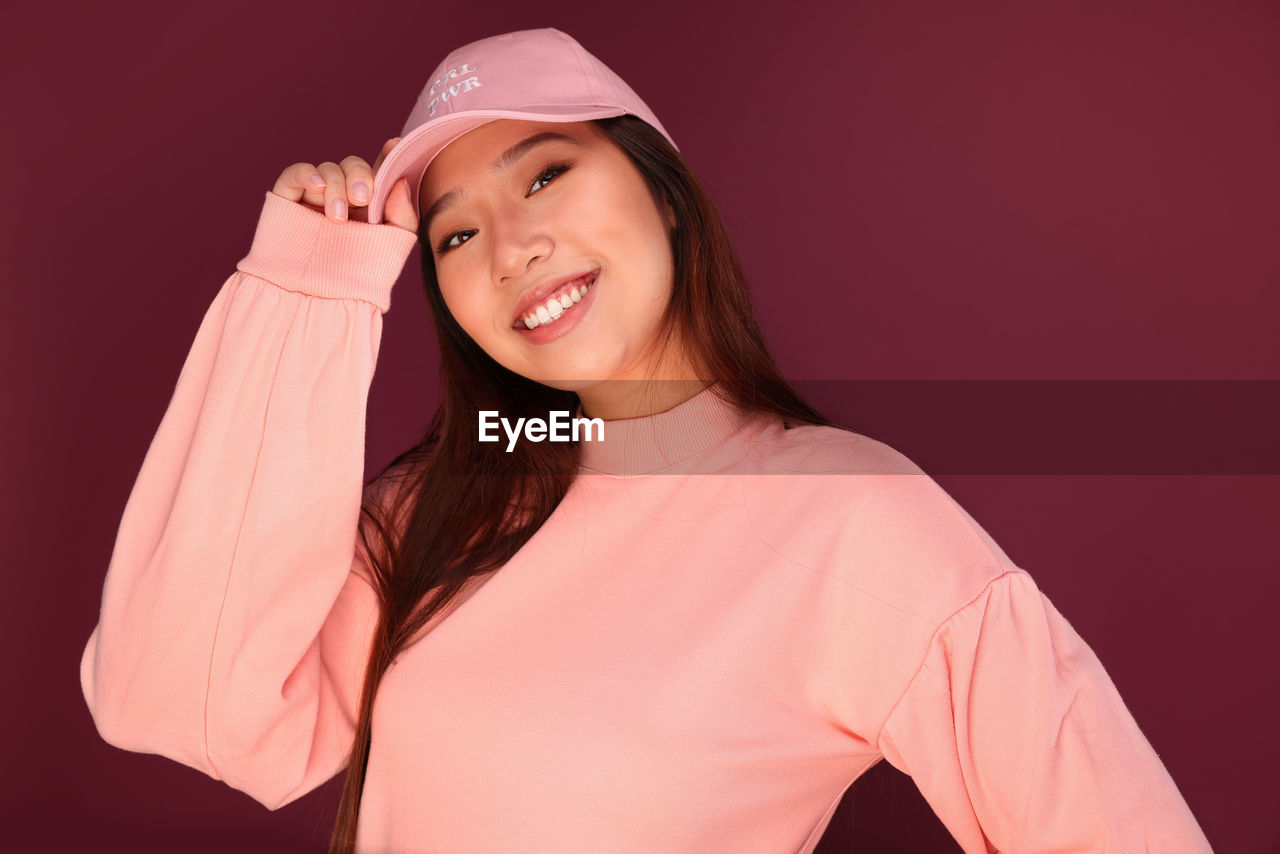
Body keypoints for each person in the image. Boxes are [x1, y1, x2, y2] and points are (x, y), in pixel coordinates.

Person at [79, 27, 1213, 854]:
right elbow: (172, 704)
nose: (510, 245)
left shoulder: (848, 514)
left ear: (661, 190)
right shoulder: (437, 509)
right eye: (455, 231)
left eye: (547, 172)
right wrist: (307, 294)